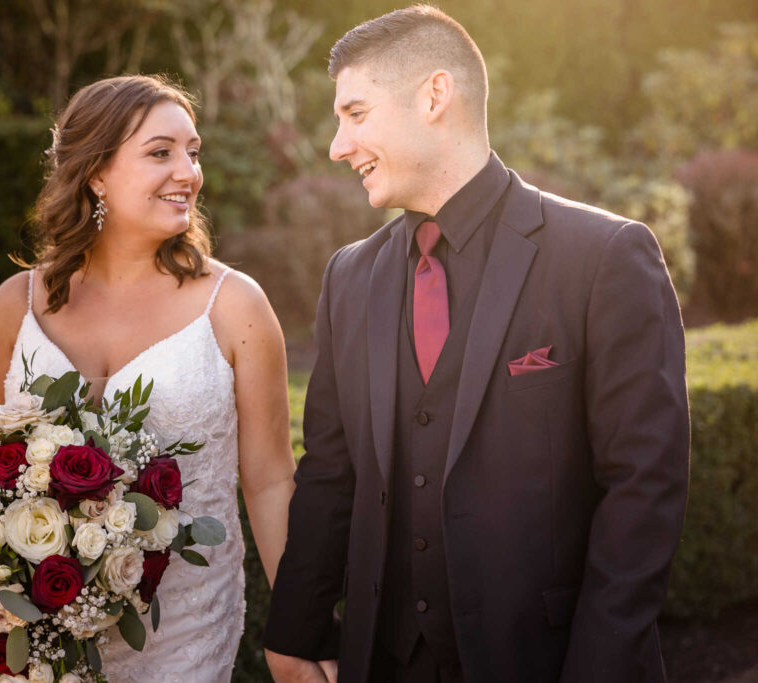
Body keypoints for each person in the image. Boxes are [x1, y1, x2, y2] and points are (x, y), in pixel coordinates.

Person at [263, 6, 689, 683]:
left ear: (434, 96)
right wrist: (294, 629)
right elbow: (329, 472)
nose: (337, 145)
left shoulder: (603, 255)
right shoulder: (350, 276)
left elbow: (645, 485)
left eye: (355, 113)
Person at [0, 75, 296, 682]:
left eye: (193, 152)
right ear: (95, 172)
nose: (188, 172)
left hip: (185, 631)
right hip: (42, 634)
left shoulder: (235, 306)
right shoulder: (14, 305)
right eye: (160, 153)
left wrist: (302, 628)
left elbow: (272, 481)